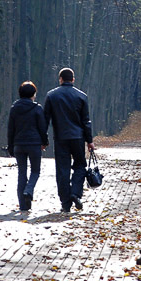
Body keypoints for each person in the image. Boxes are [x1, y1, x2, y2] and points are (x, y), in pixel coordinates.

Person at [43, 67, 94, 214]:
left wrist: (44, 139)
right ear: (73, 79)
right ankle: (75, 193)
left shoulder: (51, 96)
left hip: (60, 138)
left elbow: (45, 120)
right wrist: (89, 140)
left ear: (60, 79)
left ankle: (65, 203)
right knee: (80, 166)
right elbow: (86, 121)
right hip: (78, 137)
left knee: (62, 170)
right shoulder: (81, 96)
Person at [7, 81, 48, 212]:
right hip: (34, 144)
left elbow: (10, 129)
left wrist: (10, 146)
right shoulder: (37, 109)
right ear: (33, 94)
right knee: (35, 171)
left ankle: (23, 206)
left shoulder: (14, 108)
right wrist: (44, 142)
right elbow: (42, 128)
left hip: (18, 144)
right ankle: (29, 191)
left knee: (21, 173)